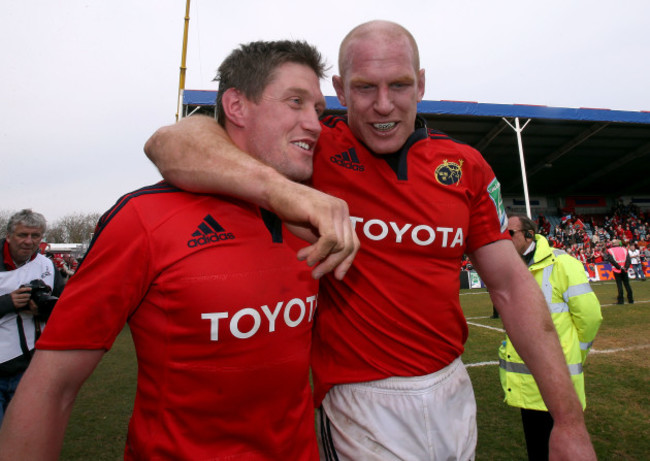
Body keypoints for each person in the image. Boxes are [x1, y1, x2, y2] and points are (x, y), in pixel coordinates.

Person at [144, 20, 597, 460]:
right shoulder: (311, 150)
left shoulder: (466, 166)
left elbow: (512, 287)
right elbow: (171, 142)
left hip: (453, 389)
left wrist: (569, 421)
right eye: (365, 88)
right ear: (340, 90)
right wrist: (288, 192)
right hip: (357, 399)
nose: (384, 105)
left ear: (421, 84)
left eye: (399, 85)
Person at [0, 40, 359, 460]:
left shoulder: (317, 209)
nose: (315, 124)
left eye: (317, 109)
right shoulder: (145, 218)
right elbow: (51, 387)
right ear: (237, 106)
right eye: (295, 102)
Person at [501, 215, 602, 461]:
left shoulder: (562, 263)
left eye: (510, 233)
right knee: (537, 450)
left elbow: (590, 317)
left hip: (557, 382)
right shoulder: (511, 267)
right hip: (526, 386)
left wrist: (576, 352)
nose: (505, 238)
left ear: (528, 234)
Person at [0, 209, 64, 427]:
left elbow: (63, 306)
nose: (29, 241)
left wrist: (40, 308)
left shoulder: (46, 265)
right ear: (8, 236)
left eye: (35, 236)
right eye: (22, 235)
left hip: (28, 367)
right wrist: (8, 303)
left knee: (21, 434)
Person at [607, 240, 634, 304]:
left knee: (619, 285)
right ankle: (630, 299)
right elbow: (628, 260)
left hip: (617, 270)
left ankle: (621, 300)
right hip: (625, 269)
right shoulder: (624, 249)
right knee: (627, 284)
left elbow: (611, 260)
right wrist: (626, 267)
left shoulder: (610, 250)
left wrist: (619, 267)